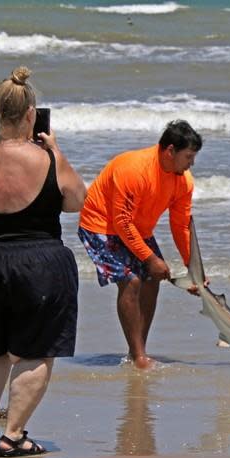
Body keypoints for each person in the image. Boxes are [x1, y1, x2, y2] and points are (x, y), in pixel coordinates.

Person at [0, 66, 86, 457]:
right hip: (39, 261)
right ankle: (14, 434)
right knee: (37, 350)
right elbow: (77, 201)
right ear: (32, 115)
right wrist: (56, 151)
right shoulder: (47, 158)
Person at [78, 120, 202, 370]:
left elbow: (180, 226)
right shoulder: (133, 169)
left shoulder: (183, 181)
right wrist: (150, 258)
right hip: (101, 223)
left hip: (136, 227)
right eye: (188, 156)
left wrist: (193, 268)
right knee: (132, 281)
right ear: (169, 151)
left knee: (152, 279)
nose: (192, 164)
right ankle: (139, 356)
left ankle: (137, 350)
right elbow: (120, 221)